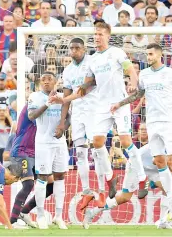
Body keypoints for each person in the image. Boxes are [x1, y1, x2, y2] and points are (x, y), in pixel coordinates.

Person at [51, 22, 147, 204]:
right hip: (102, 106)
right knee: (97, 143)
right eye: (95, 34)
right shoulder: (93, 59)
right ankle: (111, 178)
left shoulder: (116, 53)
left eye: (100, 34)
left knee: (126, 142)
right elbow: (85, 87)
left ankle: (142, 179)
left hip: (119, 103)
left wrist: (134, 82)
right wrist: (64, 99)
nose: (96, 37)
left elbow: (129, 69)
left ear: (107, 36)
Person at [109, 43, 172, 227]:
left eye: (151, 54)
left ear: (160, 55)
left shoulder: (169, 73)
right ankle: (166, 214)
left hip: (168, 122)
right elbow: (139, 94)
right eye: (147, 54)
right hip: (152, 123)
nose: (148, 57)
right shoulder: (144, 75)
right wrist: (120, 103)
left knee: (170, 162)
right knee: (160, 162)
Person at [58, 38, 102, 209]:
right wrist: (62, 122)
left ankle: (101, 189)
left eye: (77, 48)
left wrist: (83, 86)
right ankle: (86, 191)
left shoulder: (92, 62)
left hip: (94, 110)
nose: (74, 51)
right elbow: (66, 98)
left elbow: (95, 82)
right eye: (72, 48)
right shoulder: (67, 71)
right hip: (77, 114)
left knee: (96, 151)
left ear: (84, 49)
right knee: (80, 153)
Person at [84, 144, 172, 229]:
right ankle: (92, 212)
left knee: (167, 189)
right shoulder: (164, 139)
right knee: (124, 197)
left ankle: (162, 221)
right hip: (137, 165)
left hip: (155, 169)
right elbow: (156, 160)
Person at [27, 72, 69, 229]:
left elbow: (68, 117)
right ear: (39, 82)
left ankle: (58, 216)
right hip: (43, 143)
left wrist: (63, 127)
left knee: (60, 176)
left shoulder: (62, 97)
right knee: (43, 177)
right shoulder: (34, 97)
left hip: (59, 142)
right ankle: (40, 215)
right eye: (43, 79)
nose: (46, 82)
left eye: (49, 79)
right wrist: (48, 103)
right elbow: (31, 116)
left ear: (55, 82)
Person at [7, 104, 38, 229]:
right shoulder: (33, 105)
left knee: (49, 183)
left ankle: (24, 211)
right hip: (21, 151)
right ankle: (12, 221)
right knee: (28, 184)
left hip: (35, 152)